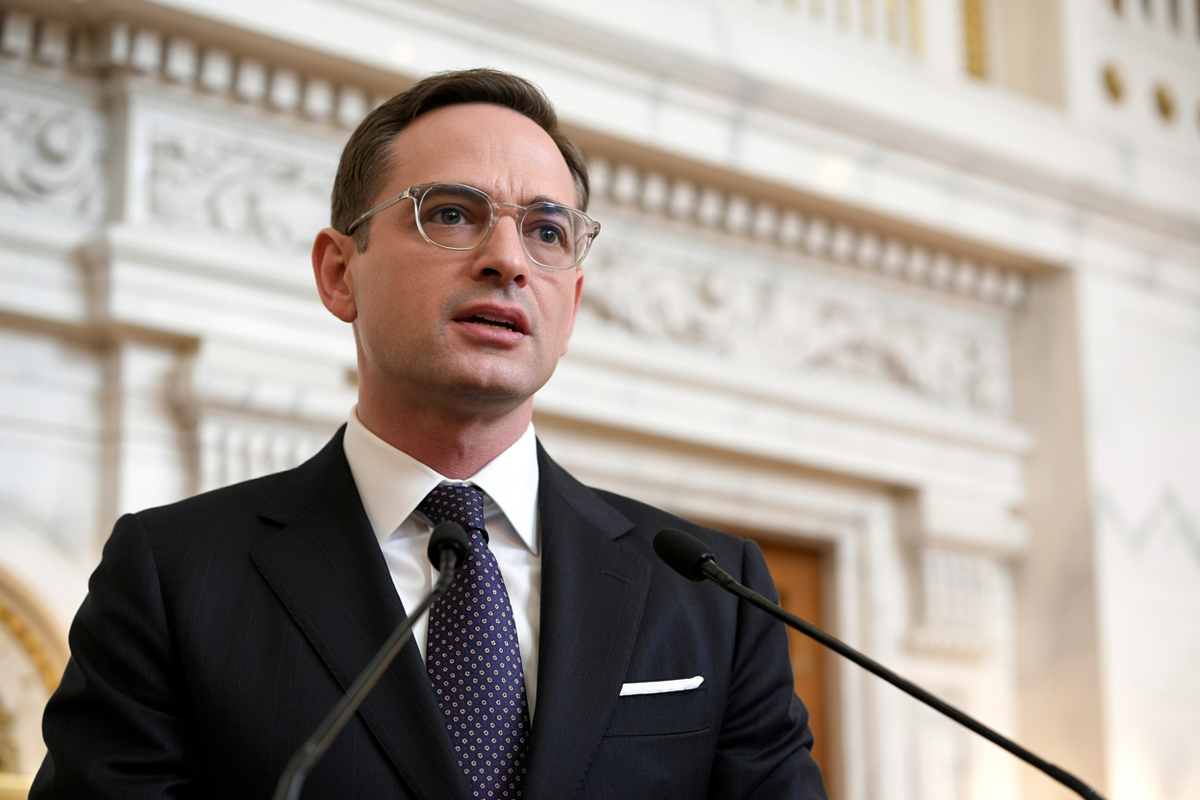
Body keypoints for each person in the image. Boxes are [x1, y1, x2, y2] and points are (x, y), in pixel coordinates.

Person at [32, 69, 827, 799]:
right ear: (339, 273)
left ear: (572, 304)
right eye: (451, 213)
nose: (508, 260)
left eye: (547, 232)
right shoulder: (174, 578)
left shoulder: (713, 593)